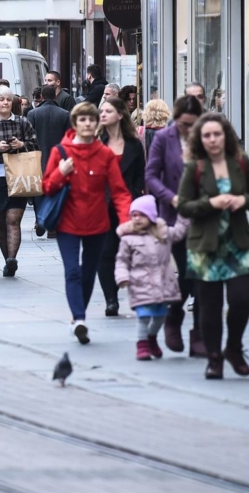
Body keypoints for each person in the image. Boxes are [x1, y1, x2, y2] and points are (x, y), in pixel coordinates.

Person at [177, 113, 249, 379]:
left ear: (225, 136)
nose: (213, 139)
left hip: (238, 243)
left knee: (241, 301)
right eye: (207, 135)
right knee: (210, 306)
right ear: (200, 140)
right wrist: (210, 204)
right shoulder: (195, 168)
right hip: (205, 246)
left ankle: (234, 348)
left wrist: (242, 201)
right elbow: (183, 205)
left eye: (217, 134)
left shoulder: (240, 162)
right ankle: (214, 358)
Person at [42, 102, 132, 345]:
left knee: (89, 272)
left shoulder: (104, 154)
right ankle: (79, 318)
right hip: (68, 224)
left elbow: (120, 191)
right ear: (75, 123)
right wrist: (61, 172)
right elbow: (46, 187)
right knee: (72, 271)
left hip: (97, 223)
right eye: (82, 120)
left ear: (97, 124)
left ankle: (78, 316)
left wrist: (125, 221)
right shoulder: (60, 152)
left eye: (91, 120)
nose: (87, 123)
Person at [145, 95, 204, 355]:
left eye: (192, 124)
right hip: (174, 216)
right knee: (188, 272)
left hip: (203, 215)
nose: (188, 129)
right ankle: (175, 315)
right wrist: (170, 197)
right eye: (183, 124)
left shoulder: (207, 136)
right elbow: (151, 175)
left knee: (201, 276)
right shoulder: (163, 138)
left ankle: (198, 335)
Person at [0, 86, 40, 276]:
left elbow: (36, 145)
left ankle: (12, 258)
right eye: (1, 100)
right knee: (2, 221)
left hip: (20, 175)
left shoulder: (22, 122)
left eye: (8, 99)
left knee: (13, 219)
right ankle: (7, 260)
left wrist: (22, 145)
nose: (5, 103)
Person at [115, 196, 190, 360]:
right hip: (140, 285)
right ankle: (142, 345)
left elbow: (179, 231)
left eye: (140, 215)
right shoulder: (128, 238)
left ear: (151, 216)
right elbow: (121, 260)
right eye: (133, 215)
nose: (136, 219)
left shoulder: (163, 233)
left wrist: (184, 212)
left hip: (162, 285)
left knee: (159, 317)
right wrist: (122, 277)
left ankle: (151, 338)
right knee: (143, 316)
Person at [96, 97, 146, 317]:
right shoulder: (97, 143)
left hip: (128, 206)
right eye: (102, 111)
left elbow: (140, 176)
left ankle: (137, 294)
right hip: (102, 207)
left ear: (120, 115)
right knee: (105, 253)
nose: (103, 114)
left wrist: (136, 200)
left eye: (108, 110)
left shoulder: (134, 144)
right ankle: (111, 299)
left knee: (129, 252)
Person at [27, 84, 71, 237]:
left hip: (38, 158)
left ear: (41, 97)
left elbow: (28, 137)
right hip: (59, 159)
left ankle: (40, 219)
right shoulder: (65, 114)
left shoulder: (33, 114)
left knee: (38, 191)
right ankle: (53, 225)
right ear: (55, 96)